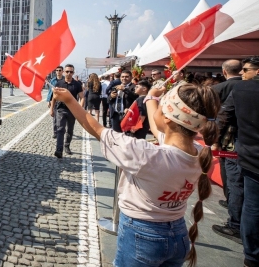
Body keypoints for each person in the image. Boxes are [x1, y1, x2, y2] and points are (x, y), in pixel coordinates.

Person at [54, 82, 218, 266]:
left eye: (162, 106)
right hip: (179, 235)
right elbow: (161, 130)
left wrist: (69, 100)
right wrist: (152, 98)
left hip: (142, 234)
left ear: (168, 118)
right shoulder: (200, 154)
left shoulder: (147, 154)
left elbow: (97, 129)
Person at [216, 56, 259, 265]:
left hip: (247, 152)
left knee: (251, 203)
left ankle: (251, 252)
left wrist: (214, 140)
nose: (243, 74)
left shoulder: (241, 90)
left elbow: (223, 116)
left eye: (247, 70)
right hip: (247, 152)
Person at [211, 59, 243, 210]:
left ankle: (232, 202)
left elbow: (216, 114)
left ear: (224, 71)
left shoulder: (218, 88)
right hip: (244, 133)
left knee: (229, 173)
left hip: (226, 135)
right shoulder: (248, 86)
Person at [49, 64, 83, 158]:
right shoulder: (59, 83)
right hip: (60, 109)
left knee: (70, 130)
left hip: (72, 110)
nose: (69, 73)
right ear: (64, 72)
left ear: (73, 73)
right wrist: (52, 109)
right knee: (60, 129)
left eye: (71, 72)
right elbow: (54, 98)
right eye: (67, 71)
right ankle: (59, 150)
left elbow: (82, 97)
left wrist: (79, 108)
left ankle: (67, 146)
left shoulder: (77, 84)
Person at [46, 66, 63, 139]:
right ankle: (55, 132)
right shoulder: (53, 80)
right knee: (55, 118)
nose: (58, 72)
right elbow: (50, 91)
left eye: (60, 70)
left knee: (62, 118)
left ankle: (62, 130)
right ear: (55, 71)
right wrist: (48, 101)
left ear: (62, 71)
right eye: (57, 70)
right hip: (54, 101)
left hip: (63, 101)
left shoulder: (64, 80)